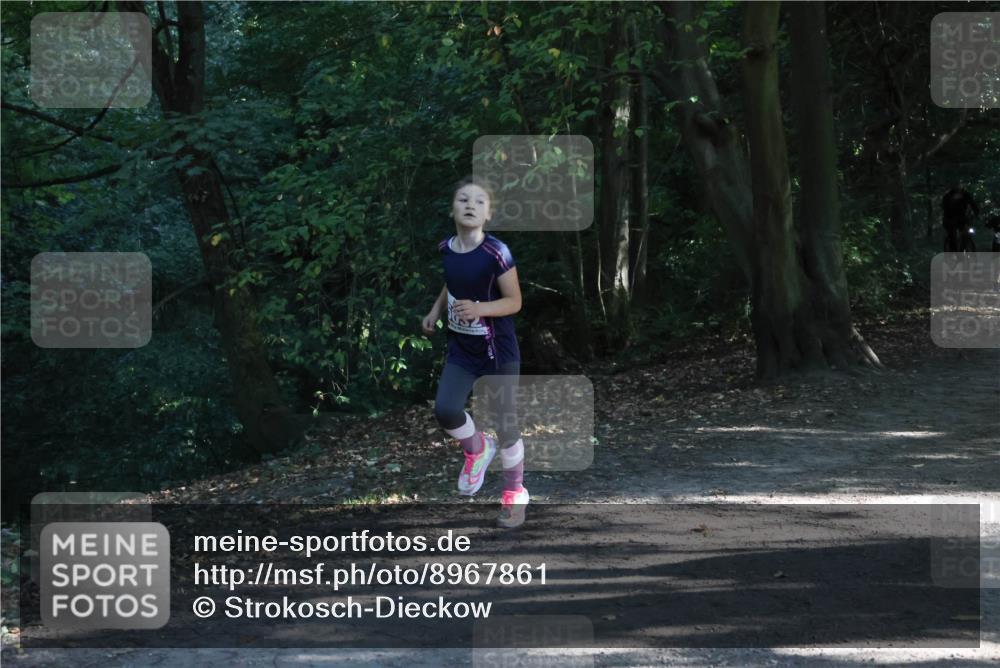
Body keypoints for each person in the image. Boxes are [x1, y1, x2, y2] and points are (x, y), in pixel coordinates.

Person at [422, 176, 528, 528]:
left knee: (506, 423)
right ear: (453, 208)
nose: (470, 205)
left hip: (497, 349)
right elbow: (452, 282)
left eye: (479, 202)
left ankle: (514, 493)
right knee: (447, 410)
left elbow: (514, 302)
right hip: (461, 348)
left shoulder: (496, 252)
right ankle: (477, 449)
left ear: (488, 214)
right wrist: (436, 311)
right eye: (463, 199)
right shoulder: (446, 248)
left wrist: (480, 309)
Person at [942, 183, 979, 253]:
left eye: (960, 185)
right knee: (952, 235)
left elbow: (973, 204)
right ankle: (953, 253)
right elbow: (944, 207)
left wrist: (976, 213)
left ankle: (965, 247)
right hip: (949, 218)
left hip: (962, 218)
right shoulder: (948, 195)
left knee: (967, 232)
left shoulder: (965, 194)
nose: (959, 187)